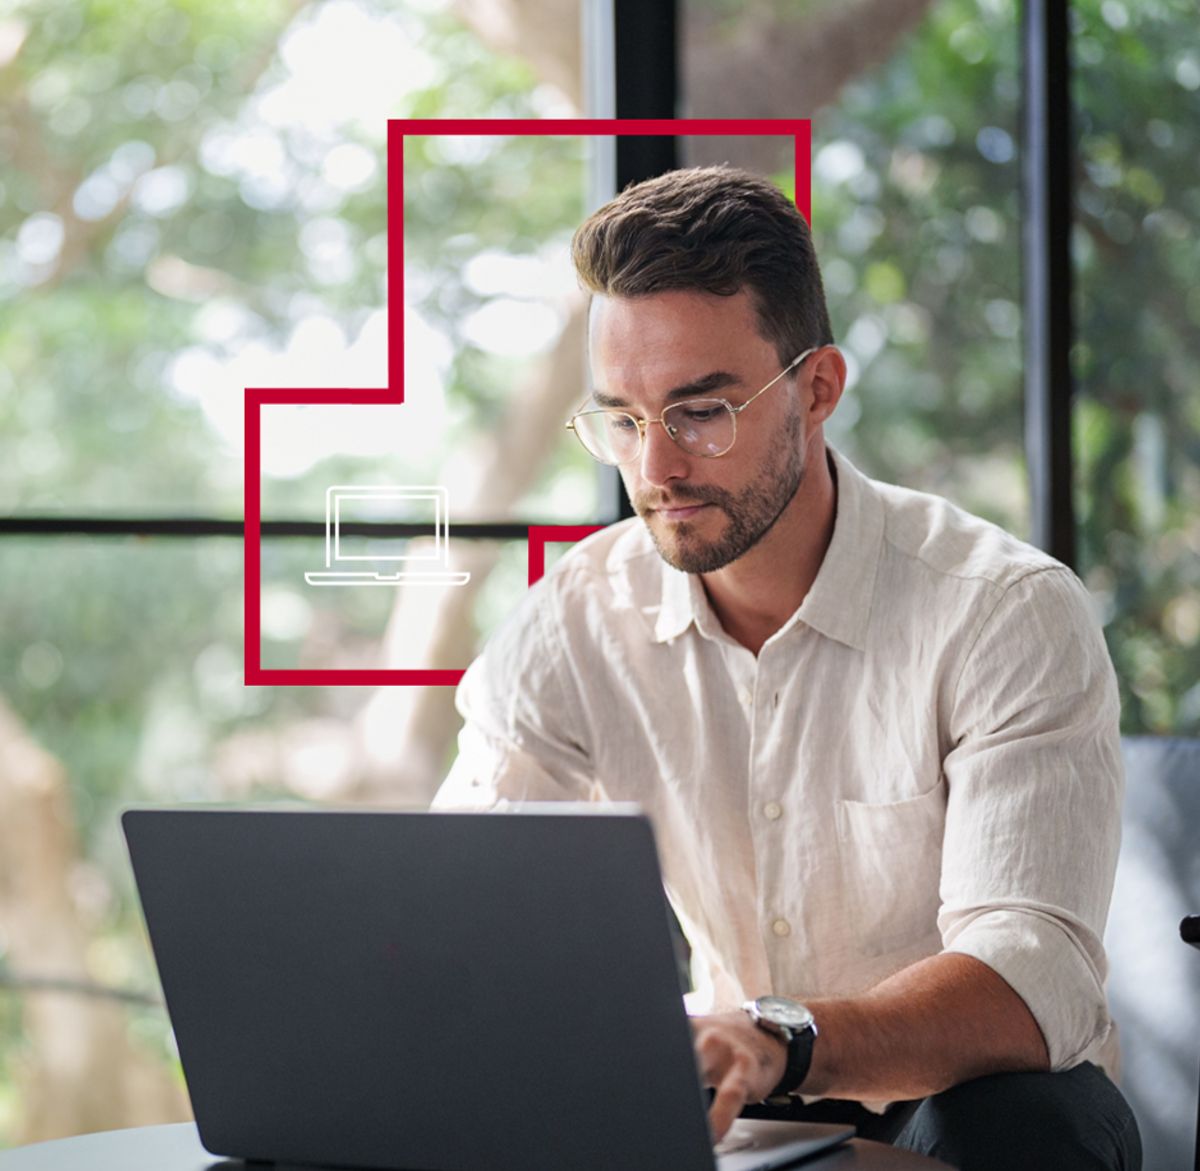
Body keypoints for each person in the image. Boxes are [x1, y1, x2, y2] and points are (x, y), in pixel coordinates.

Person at [433, 166, 1141, 1170]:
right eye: (624, 420)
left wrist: (778, 1037)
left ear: (817, 390)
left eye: (702, 411)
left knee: (1029, 1125)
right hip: (731, 1105)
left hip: (969, 1106)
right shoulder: (576, 617)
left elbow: (1033, 976)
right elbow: (456, 905)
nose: (656, 469)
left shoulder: (1003, 610)